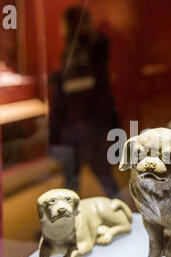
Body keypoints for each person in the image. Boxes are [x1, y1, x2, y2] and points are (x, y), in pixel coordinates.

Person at [49, 6, 119, 198]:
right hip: (90, 124)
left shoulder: (79, 50)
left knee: (76, 179)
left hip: (81, 125)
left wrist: (56, 129)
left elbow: (70, 95)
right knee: (101, 176)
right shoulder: (94, 47)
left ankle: (67, 223)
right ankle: (122, 213)